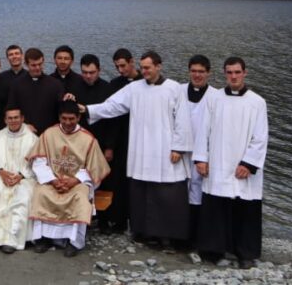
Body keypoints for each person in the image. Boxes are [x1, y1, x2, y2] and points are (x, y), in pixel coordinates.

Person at [84, 51, 192, 249]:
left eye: (148, 68)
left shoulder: (174, 89)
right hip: (142, 148)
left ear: (159, 66)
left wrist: (179, 147)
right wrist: (89, 110)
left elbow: (183, 120)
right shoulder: (134, 88)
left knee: (167, 194)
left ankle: (167, 236)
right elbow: (113, 106)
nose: (144, 71)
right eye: (142, 68)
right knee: (142, 193)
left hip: (165, 149)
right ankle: (142, 232)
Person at [194, 57, 268, 270]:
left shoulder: (257, 102)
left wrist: (249, 163)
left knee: (245, 209)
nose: (233, 76)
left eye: (237, 72)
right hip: (218, 163)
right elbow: (203, 132)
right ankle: (213, 251)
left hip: (242, 167)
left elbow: (260, 137)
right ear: (224, 74)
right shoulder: (214, 99)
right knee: (216, 209)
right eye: (229, 72)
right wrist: (201, 159)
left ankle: (245, 253)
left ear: (245, 73)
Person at [29, 101, 110, 257]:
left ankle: (74, 242)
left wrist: (75, 180)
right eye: (64, 118)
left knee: (80, 197)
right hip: (52, 179)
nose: (67, 122)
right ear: (59, 117)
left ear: (78, 117)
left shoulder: (88, 139)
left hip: (77, 181)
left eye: (71, 119)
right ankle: (44, 238)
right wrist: (52, 180)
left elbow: (94, 167)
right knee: (40, 193)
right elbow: (39, 161)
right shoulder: (49, 134)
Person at [0, 107, 38, 253]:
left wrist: (21, 175)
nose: (13, 121)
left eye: (16, 117)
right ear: (5, 120)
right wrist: (1, 172)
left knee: (22, 195)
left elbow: (37, 163)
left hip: (24, 178)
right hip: (0, 175)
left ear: (22, 118)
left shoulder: (32, 139)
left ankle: (12, 239)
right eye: (10, 118)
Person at [95, 48, 140, 234]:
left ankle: (138, 221)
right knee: (117, 181)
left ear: (132, 62)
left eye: (123, 65)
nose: (120, 70)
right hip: (120, 139)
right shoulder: (114, 84)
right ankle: (118, 220)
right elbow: (110, 117)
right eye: (117, 66)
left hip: (140, 138)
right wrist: (110, 146)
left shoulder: (145, 82)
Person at [181, 54, 221, 253]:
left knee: (199, 193)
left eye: (201, 72)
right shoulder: (179, 92)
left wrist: (205, 156)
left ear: (209, 73)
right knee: (180, 193)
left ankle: (197, 237)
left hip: (203, 153)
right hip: (180, 152)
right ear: (189, 71)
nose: (197, 75)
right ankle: (179, 235)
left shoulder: (216, 96)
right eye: (193, 71)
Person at [5, 48, 64, 134]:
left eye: (40, 64)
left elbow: (61, 111)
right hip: (25, 133)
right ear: (26, 64)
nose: (37, 68)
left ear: (43, 61)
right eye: (33, 65)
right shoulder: (16, 85)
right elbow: (11, 109)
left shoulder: (55, 84)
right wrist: (24, 125)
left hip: (50, 134)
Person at [65, 54, 113, 129]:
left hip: (102, 133)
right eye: (84, 72)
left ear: (99, 70)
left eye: (92, 72)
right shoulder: (72, 87)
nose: (88, 76)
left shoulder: (108, 89)